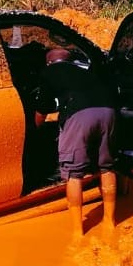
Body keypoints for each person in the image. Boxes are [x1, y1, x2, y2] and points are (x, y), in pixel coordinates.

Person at [35, 48, 118, 237]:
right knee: (107, 167)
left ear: (49, 62)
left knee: (73, 172)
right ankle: (110, 222)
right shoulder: (85, 70)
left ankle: (77, 231)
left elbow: (43, 109)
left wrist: (34, 129)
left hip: (80, 116)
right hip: (108, 111)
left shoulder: (48, 72)